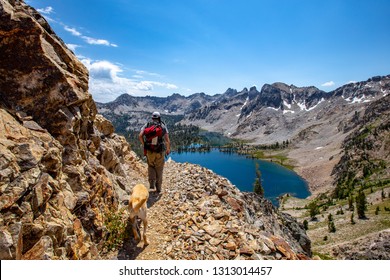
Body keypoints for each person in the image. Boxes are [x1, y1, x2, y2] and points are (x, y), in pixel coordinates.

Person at [139, 112, 171, 193]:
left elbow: (140, 136)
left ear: (152, 117)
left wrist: (144, 145)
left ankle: (151, 184)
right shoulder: (162, 126)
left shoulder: (147, 124)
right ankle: (159, 188)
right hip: (160, 151)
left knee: (151, 166)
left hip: (149, 150)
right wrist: (168, 149)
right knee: (159, 168)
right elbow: (167, 140)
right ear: (159, 117)